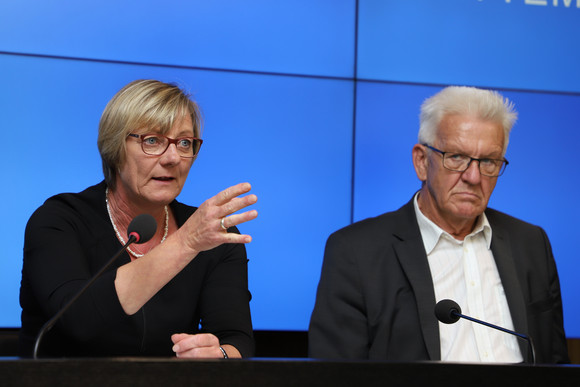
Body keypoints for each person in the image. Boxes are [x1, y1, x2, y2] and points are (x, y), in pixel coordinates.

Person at [309, 86, 569, 364]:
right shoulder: (356, 252)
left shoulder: (531, 243)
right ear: (422, 162)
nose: (473, 176)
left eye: (489, 162)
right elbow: (334, 375)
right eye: (456, 157)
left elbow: (556, 363)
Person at [19, 79, 258, 358]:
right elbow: (79, 320)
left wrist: (220, 356)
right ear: (114, 147)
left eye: (184, 143)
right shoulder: (59, 220)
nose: (173, 158)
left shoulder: (211, 234)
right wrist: (187, 242)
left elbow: (236, 340)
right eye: (153, 140)